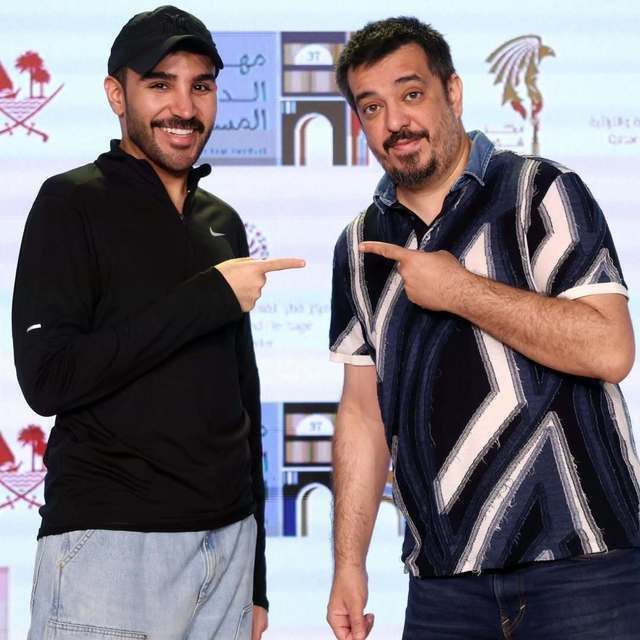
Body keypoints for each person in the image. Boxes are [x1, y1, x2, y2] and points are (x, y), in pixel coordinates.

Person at [327, 16, 640, 640]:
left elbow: (609, 348)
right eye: (372, 107)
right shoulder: (360, 245)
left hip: (585, 570)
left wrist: (460, 290)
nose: (395, 122)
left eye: (411, 94)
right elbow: (362, 414)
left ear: (453, 92)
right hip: (444, 588)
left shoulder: (539, 192)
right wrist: (348, 563)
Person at [12, 6, 304, 639]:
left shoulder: (221, 221)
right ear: (117, 95)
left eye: (201, 85)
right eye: (160, 84)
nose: (184, 107)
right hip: (111, 545)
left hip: (227, 549)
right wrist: (207, 298)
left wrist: (255, 576)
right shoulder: (71, 202)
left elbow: (241, 397)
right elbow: (48, 377)